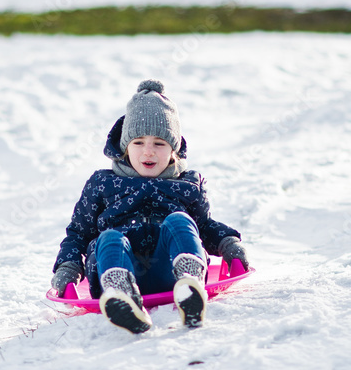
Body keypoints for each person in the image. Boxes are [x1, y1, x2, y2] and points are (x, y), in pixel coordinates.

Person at [51, 79, 249, 334]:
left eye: (159, 143)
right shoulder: (102, 183)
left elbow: (203, 227)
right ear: (124, 147)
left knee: (180, 220)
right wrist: (68, 267)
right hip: (114, 265)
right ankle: (121, 295)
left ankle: (189, 283)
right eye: (138, 142)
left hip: (169, 267)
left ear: (173, 150)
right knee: (109, 237)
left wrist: (228, 243)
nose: (148, 152)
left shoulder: (187, 184)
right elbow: (79, 233)